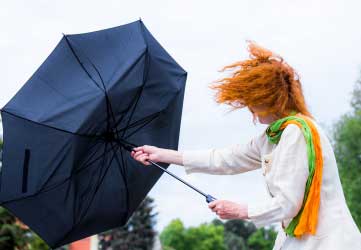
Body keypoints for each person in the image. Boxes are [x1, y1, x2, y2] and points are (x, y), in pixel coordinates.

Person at [130, 41, 361, 249]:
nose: (249, 108)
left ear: (271, 99)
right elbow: (224, 159)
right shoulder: (274, 136)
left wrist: (240, 211)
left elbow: (288, 204)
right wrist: (162, 155)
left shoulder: (296, 133)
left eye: (253, 101)